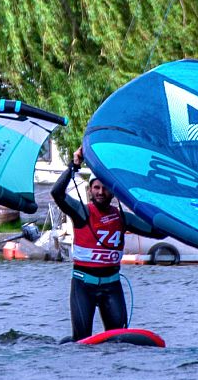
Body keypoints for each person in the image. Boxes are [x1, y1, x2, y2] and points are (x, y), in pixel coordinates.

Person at [52, 147, 163, 342]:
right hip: (83, 286)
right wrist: (74, 165)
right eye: (96, 188)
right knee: (81, 341)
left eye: (105, 188)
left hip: (112, 286)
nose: (101, 192)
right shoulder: (81, 212)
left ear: (114, 191)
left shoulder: (122, 218)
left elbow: (157, 232)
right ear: (90, 190)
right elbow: (57, 193)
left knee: (119, 343)